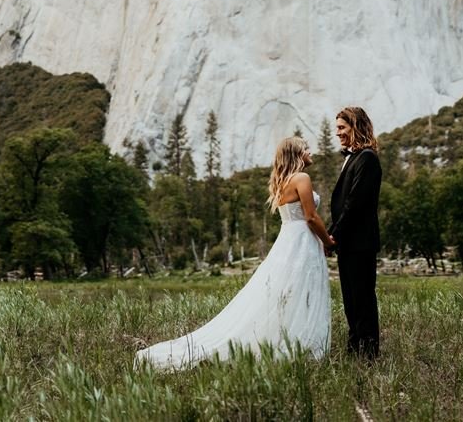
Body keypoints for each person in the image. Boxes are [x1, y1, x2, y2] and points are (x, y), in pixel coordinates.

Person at [135, 134, 331, 370]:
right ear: (296, 153)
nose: (311, 152)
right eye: (306, 148)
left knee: (286, 294)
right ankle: (302, 343)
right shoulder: (301, 178)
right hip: (301, 241)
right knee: (300, 293)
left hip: (288, 240)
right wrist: (328, 241)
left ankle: (292, 341)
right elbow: (311, 216)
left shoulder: (283, 181)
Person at [326, 105, 382, 359]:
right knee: (350, 300)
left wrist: (333, 234)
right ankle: (354, 348)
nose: (337, 133)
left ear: (356, 127)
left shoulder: (367, 158)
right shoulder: (355, 158)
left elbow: (355, 203)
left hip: (360, 242)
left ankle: (368, 353)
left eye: (342, 127)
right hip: (349, 242)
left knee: (362, 299)